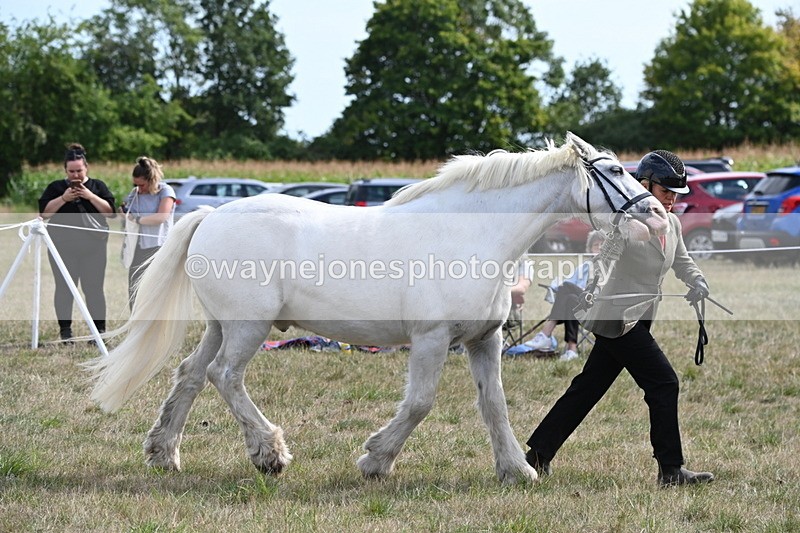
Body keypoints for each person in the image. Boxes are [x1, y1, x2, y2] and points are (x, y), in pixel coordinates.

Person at [524, 150, 715, 487]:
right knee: (664, 382)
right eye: (665, 191)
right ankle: (671, 470)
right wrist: (595, 282)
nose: (670, 199)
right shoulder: (626, 225)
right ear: (644, 185)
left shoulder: (671, 223)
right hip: (618, 319)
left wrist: (698, 281)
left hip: (641, 318)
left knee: (588, 388)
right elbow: (604, 259)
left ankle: (537, 455)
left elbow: (682, 261)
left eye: (675, 194)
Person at [38, 143, 116, 341]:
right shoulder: (55, 187)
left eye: (79, 171)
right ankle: (66, 332)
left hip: (94, 248)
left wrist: (90, 196)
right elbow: (44, 213)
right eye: (71, 171)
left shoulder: (98, 186)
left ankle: (98, 332)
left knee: (94, 289)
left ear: (86, 168)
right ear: (65, 170)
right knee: (64, 288)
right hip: (61, 248)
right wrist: (63, 198)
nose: (76, 175)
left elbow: (111, 212)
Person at [526, 230, 606, 361]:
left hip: (596, 307)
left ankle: (546, 333)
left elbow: (603, 290)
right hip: (578, 306)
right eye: (596, 245)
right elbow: (565, 285)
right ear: (590, 248)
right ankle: (572, 350)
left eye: (603, 245)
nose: (599, 248)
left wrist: (584, 289)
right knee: (570, 299)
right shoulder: (584, 267)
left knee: (567, 288)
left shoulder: (609, 267)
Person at [121, 156, 176, 308]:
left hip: (157, 246)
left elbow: (161, 217)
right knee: (134, 288)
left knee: (155, 288)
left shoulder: (165, 191)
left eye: (142, 185)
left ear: (151, 180)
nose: (139, 188)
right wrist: (124, 212)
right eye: (136, 184)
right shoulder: (135, 193)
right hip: (137, 246)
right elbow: (128, 212)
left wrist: (138, 219)